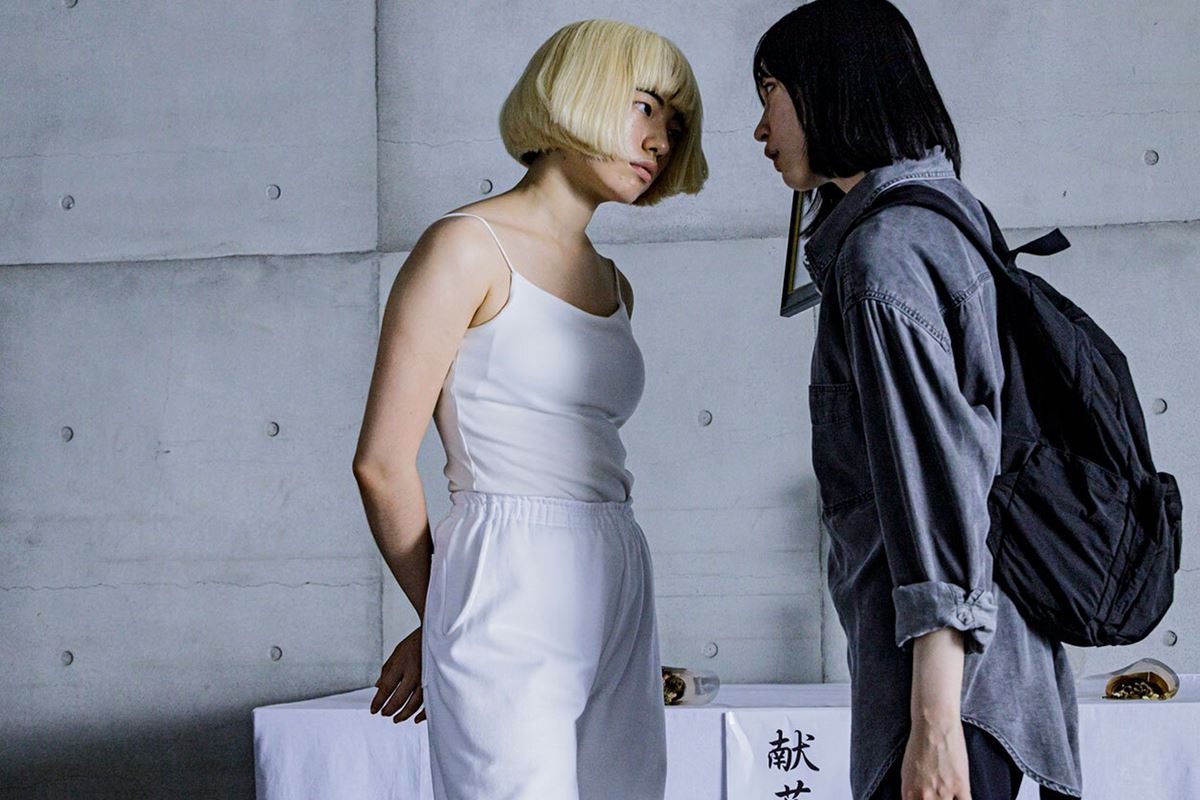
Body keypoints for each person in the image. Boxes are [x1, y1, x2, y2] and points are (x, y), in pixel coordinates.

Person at [352, 18, 707, 800]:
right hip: (506, 559)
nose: (660, 140)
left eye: (675, 125)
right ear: (577, 91)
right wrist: (444, 610)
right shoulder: (465, 246)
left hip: (617, 560)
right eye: (644, 106)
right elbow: (381, 465)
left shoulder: (614, 283)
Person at [751, 3, 1080, 799]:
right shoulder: (950, 217)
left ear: (829, 88)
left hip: (947, 696)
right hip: (996, 675)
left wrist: (932, 727)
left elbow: (938, 489)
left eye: (769, 94)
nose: (761, 130)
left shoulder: (885, 256)